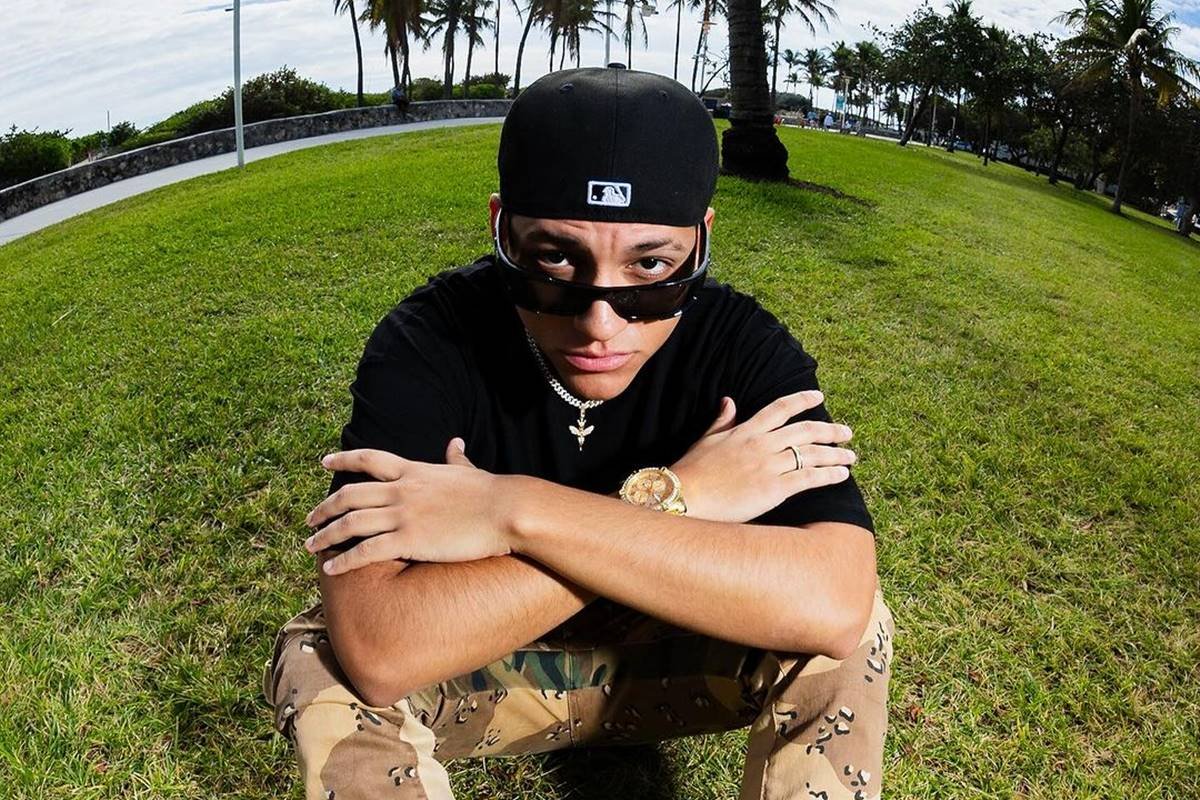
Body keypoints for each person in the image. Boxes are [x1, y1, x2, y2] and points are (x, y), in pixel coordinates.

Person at [263, 64, 895, 800]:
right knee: (320, 658)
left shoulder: (742, 346)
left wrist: (510, 510)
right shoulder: (428, 343)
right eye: (553, 260)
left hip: (674, 661)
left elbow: (836, 599)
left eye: (652, 267)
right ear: (500, 227)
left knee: (847, 639)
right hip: (487, 675)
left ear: (701, 238)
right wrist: (688, 499)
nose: (600, 324)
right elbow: (378, 644)